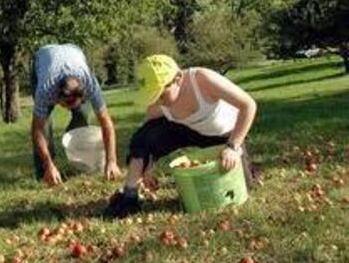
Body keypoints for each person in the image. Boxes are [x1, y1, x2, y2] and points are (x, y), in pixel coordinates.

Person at [103, 54, 258, 218]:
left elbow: (248, 105)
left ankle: (247, 167)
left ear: (177, 79)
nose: (158, 101)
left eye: (161, 94)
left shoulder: (202, 80)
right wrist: (149, 166)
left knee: (243, 186)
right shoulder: (159, 102)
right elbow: (146, 135)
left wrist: (233, 146)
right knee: (141, 138)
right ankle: (129, 195)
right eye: (153, 95)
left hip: (223, 135)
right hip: (186, 130)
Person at [30, 44, 122, 186]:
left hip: (74, 53)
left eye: (73, 105)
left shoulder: (90, 84)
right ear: (56, 97)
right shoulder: (45, 89)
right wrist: (48, 164)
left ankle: (77, 159)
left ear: (83, 95)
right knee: (45, 128)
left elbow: (106, 123)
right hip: (43, 59)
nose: (67, 109)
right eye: (65, 105)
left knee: (82, 115)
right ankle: (46, 173)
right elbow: (37, 130)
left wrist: (112, 161)